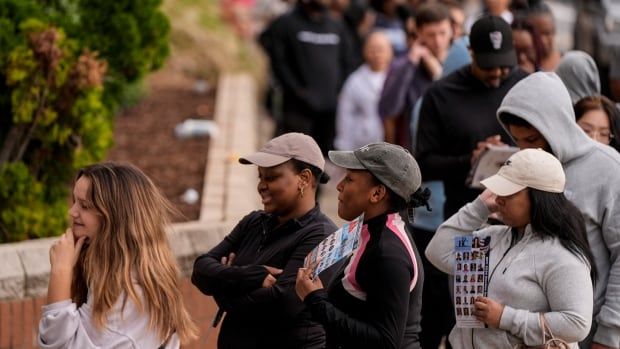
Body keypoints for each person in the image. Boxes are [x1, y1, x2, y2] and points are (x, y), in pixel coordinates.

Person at [497, 72, 620, 349]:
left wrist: (610, 335)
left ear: (556, 127)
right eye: (517, 140)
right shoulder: (521, 165)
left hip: (587, 334)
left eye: (531, 139)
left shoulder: (609, 169)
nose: (524, 149)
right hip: (521, 333)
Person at [426, 148, 596, 348]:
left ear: (538, 197)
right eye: (499, 190)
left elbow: (577, 324)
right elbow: (437, 251)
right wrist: (479, 207)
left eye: (508, 192)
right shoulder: (491, 238)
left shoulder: (562, 255)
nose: (498, 199)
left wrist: (504, 317)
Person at [191, 133, 337, 348]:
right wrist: (250, 275)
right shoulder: (254, 222)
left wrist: (222, 290)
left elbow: (284, 305)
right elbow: (200, 269)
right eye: (260, 177)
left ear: (304, 178)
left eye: (271, 177)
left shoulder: (323, 236)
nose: (261, 185)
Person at [38, 163, 198, 348]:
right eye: (74, 201)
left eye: (84, 205)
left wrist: (61, 272)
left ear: (115, 218)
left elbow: (61, 346)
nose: (72, 212)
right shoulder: (119, 274)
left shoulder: (125, 297)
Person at [295, 142, 430, 349]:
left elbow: (386, 341)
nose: (339, 186)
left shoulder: (388, 253)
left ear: (377, 194)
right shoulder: (369, 230)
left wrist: (316, 300)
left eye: (349, 179)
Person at [416, 15, 528, 221]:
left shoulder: (527, 85)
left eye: (504, 65)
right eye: (488, 66)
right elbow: (423, 165)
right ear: (471, 52)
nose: (496, 73)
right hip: (464, 219)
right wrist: (471, 160)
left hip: (522, 217)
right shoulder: (441, 94)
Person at [259, 0, 353, 154]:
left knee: (324, 162)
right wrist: (296, 90)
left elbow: (348, 61)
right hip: (297, 109)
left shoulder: (337, 25)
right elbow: (277, 61)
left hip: (329, 111)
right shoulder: (286, 23)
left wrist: (338, 92)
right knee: (294, 158)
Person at [379, 2, 453, 150]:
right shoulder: (403, 65)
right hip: (414, 150)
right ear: (419, 33)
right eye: (431, 35)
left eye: (442, 33)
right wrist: (410, 64)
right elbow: (389, 109)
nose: (438, 41)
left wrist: (438, 72)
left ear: (451, 30)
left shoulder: (461, 60)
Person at [335, 31, 393, 151]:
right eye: (372, 49)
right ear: (364, 51)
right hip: (362, 146)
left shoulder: (397, 77)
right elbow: (345, 115)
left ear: (390, 52)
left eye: (381, 49)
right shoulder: (354, 81)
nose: (377, 54)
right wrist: (344, 147)